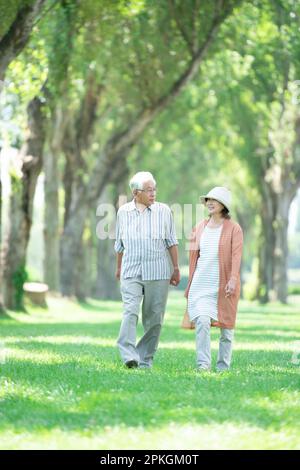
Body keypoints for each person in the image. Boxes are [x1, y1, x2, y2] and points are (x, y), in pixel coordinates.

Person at [115, 171, 180, 369]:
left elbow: (171, 242)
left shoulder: (164, 211)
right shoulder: (123, 212)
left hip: (158, 271)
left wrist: (175, 268)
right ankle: (128, 354)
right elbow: (120, 244)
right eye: (149, 190)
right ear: (136, 193)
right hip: (131, 270)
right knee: (130, 311)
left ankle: (144, 359)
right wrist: (118, 267)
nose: (153, 193)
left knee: (154, 319)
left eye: (154, 189)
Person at [184, 187, 243, 372]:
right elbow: (193, 258)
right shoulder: (198, 228)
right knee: (202, 320)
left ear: (223, 205)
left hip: (224, 284)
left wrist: (233, 279)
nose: (209, 202)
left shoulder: (234, 228)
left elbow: (236, 256)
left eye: (214, 200)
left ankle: (223, 366)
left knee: (227, 329)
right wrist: (190, 284)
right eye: (208, 199)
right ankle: (203, 364)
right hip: (201, 285)